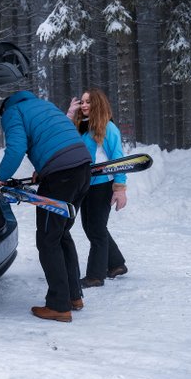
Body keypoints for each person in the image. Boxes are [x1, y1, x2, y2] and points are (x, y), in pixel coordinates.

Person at [0, 90, 92, 323]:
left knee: (48, 239)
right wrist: (43, 168)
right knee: (61, 233)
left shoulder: (12, 112)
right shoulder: (44, 106)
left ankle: (58, 306)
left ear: (3, 109)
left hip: (61, 176)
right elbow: (56, 138)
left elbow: (16, 148)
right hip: (82, 168)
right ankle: (74, 296)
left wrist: (0, 179)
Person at [66, 88, 128, 289]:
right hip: (86, 183)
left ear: (98, 104)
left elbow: (118, 159)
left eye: (88, 102)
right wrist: (69, 115)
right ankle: (116, 264)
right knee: (92, 227)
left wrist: (120, 188)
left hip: (102, 185)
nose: (84, 105)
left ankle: (95, 276)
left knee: (96, 230)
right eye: (82, 102)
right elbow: (63, 137)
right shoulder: (82, 126)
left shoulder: (108, 127)